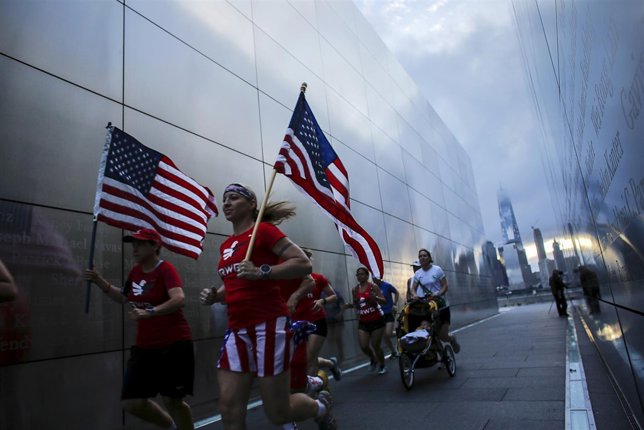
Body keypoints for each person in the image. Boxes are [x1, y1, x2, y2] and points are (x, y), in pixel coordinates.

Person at [198, 183, 336, 430]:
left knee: (278, 413)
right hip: (237, 330)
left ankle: (320, 407)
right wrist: (215, 295)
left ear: (251, 204)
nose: (226, 203)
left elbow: (303, 264)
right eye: (224, 199)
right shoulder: (227, 245)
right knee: (228, 408)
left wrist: (263, 271)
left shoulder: (264, 231)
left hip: (269, 326)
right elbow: (233, 284)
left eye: (233, 198)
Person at [84, 228, 195, 430]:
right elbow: (124, 297)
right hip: (145, 348)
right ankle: (169, 427)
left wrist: (151, 312)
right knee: (131, 402)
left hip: (173, 345)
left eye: (141, 243)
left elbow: (179, 299)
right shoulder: (135, 271)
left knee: (173, 401)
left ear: (155, 246)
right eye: (133, 244)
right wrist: (98, 280)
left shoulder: (165, 269)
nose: (135, 248)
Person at [409, 248, 460, 353]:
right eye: (420, 256)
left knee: (443, 336)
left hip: (441, 306)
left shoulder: (437, 270)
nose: (422, 258)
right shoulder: (418, 273)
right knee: (429, 334)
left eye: (425, 256)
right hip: (427, 307)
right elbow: (413, 288)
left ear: (429, 258)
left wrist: (438, 293)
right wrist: (414, 295)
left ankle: (451, 339)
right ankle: (443, 357)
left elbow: (445, 286)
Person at [348, 267, 387, 375]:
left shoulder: (373, 287)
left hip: (377, 320)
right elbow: (357, 304)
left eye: (362, 274)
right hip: (364, 321)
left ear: (367, 275)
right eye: (358, 274)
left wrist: (375, 298)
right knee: (364, 346)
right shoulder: (354, 289)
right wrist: (350, 306)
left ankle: (382, 365)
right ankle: (373, 359)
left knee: (375, 345)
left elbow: (384, 301)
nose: (360, 276)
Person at [373, 277, 399, 358]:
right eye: (373, 278)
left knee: (388, 333)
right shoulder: (373, 287)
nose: (374, 280)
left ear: (379, 278)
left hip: (389, 312)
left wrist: (394, 304)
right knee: (385, 336)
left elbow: (396, 292)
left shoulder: (387, 285)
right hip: (379, 314)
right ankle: (393, 351)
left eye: (375, 278)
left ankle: (400, 333)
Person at [323, 287, 348, 367]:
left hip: (337, 319)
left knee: (337, 338)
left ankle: (341, 356)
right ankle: (333, 357)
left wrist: (340, 314)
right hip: (329, 320)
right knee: (330, 338)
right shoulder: (321, 294)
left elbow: (342, 305)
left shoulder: (336, 293)